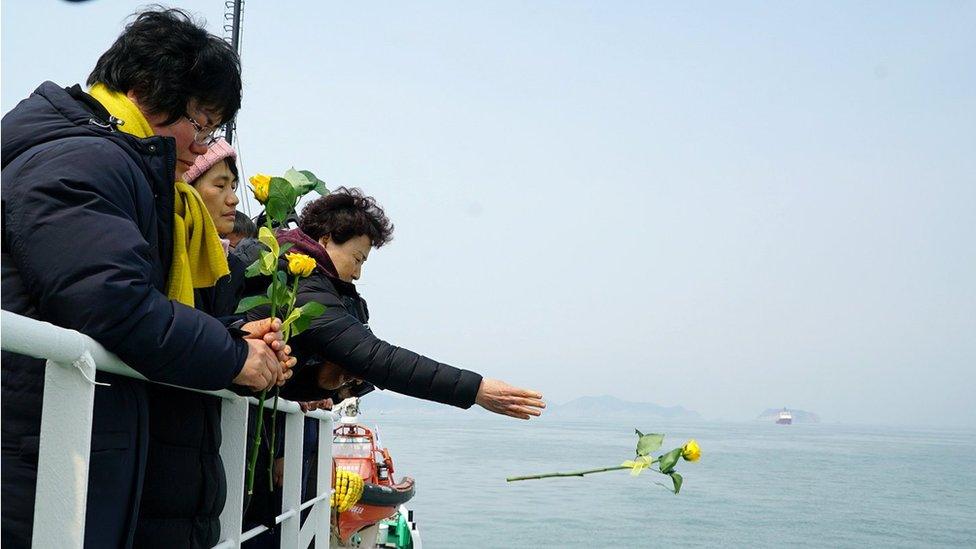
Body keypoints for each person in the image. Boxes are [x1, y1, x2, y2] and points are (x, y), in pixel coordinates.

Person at [1, 9, 290, 548]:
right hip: (39, 448)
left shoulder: (107, 160)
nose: (204, 145)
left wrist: (230, 338)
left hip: (73, 438)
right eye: (201, 122)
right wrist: (234, 357)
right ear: (144, 89)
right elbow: (114, 303)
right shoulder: (81, 159)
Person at [254, 188, 547, 418]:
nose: (357, 273)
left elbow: (281, 380)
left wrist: (319, 379)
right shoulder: (298, 281)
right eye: (357, 259)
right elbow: (377, 358)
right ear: (326, 239)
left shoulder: (291, 270)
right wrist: (477, 390)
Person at [133, 138, 278, 547]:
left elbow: (205, 332)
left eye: (234, 186)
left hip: (197, 446)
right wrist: (234, 343)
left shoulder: (224, 264)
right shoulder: (163, 244)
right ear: (189, 184)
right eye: (221, 185)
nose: (234, 199)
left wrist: (250, 345)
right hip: (160, 436)